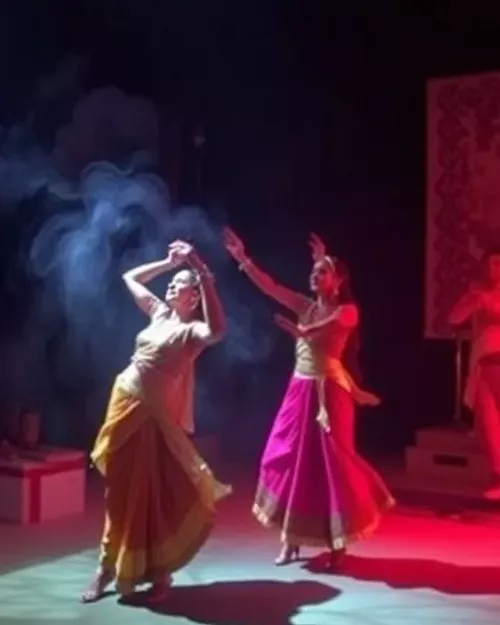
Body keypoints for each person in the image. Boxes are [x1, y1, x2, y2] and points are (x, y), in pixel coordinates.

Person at [224, 228, 394, 567]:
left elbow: (322, 327)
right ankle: (291, 539)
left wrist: (302, 330)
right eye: (313, 272)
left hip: (330, 393)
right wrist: (243, 258)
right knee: (290, 459)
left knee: (332, 465)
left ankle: (338, 543)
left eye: (322, 273)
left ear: (338, 281)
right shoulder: (304, 305)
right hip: (299, 390)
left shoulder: (348, 311)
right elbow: (271, 287)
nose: (314, 276)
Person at [82, 240, 231, 603]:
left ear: (194, 297)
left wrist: (200, 269)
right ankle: (106, 567)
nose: (171, 286)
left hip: (155, 417)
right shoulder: (160, 313)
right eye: (172, 282)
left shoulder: (192, 332)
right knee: (117, 491)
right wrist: (168, 262)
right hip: (124, 402)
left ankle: (159, 572)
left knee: (155, 492)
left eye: (179, 284)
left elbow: (218, 331)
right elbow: (130, 277)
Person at [448, 247, 500, 500]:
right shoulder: (478, 294)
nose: (495, 269)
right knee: (489, 423)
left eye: (499, 264)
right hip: (484, 362)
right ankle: (498, 477)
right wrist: (473, 301)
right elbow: (454, 318)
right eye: (491, 264)